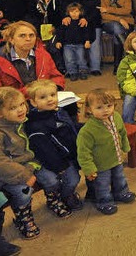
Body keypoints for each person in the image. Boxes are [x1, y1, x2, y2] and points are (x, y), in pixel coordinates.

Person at [0, 87, 45, 238]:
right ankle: (23, 217)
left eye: (22, 104)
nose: (21, 109)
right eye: (13, 108)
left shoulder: (20, 121)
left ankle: (54, 198)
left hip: (28, 164)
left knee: (51, 177)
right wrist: (24, 175)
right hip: (2, 175)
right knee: (23, 191)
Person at [25, 80, 82, 211]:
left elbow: (71, 127)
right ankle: (64, 196)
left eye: (53, 95)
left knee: (75, 177)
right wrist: (60, 167)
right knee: (72, 180)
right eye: (43, 97)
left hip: (69, 153)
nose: (50, 99)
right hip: (58, 161)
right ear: (33, 102)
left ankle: (66, 194)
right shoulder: (35, 125)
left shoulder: (59, 111)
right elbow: (46, 151)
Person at [76, 89, 136, 215]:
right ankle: (105, 202)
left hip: (116, 158)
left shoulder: (116, 117)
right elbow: (83, 153)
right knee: (102, 185)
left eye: (109, 106)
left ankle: (121, 193)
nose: (106, 110)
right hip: (100, 165)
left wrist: (125, 146)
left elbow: (122, 132)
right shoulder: (87, 131)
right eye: (99, 107)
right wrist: (89, 169)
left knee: (119, 178)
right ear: (89, 109)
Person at [0, 21, 65, 94]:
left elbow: (56, 77)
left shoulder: (43, 55)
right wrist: (32, 91)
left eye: (31, 35)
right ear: (11, 39)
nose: (28, 39)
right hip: (14, 104)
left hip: (44, 100)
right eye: (22, 35)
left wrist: (54, 87)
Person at [62, 0, 102, 76]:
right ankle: (72, 70)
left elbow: (96, 13)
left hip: (94, 24)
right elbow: (69, 11)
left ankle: (95, 68)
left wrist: (86, 19)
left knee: (95, 45)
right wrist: (68, 17)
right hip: (77, 25)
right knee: (73, 47)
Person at [100, 0, 134, 73]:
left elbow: (127, 10)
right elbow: (104, 15)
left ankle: (117, 66)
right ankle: (129, 52)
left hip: (127, 22)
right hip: (109, 23)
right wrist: (119, 19)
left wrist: (109, 9)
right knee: (116, 27)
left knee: (117, 36)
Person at [55, 2, 91, 81]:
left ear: (80, 12)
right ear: (68, 13)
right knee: (69, 59)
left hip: (79, 45)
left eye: (76, 11)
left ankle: (83, 71)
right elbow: (60, 33)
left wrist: (87, 41)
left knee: (81, 58)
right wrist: (58, 41)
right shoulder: (66, 22)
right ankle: (72, 72)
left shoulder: (82, 22)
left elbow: (86, 32)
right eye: (72, 12)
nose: (74, 14)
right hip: (67, 45)